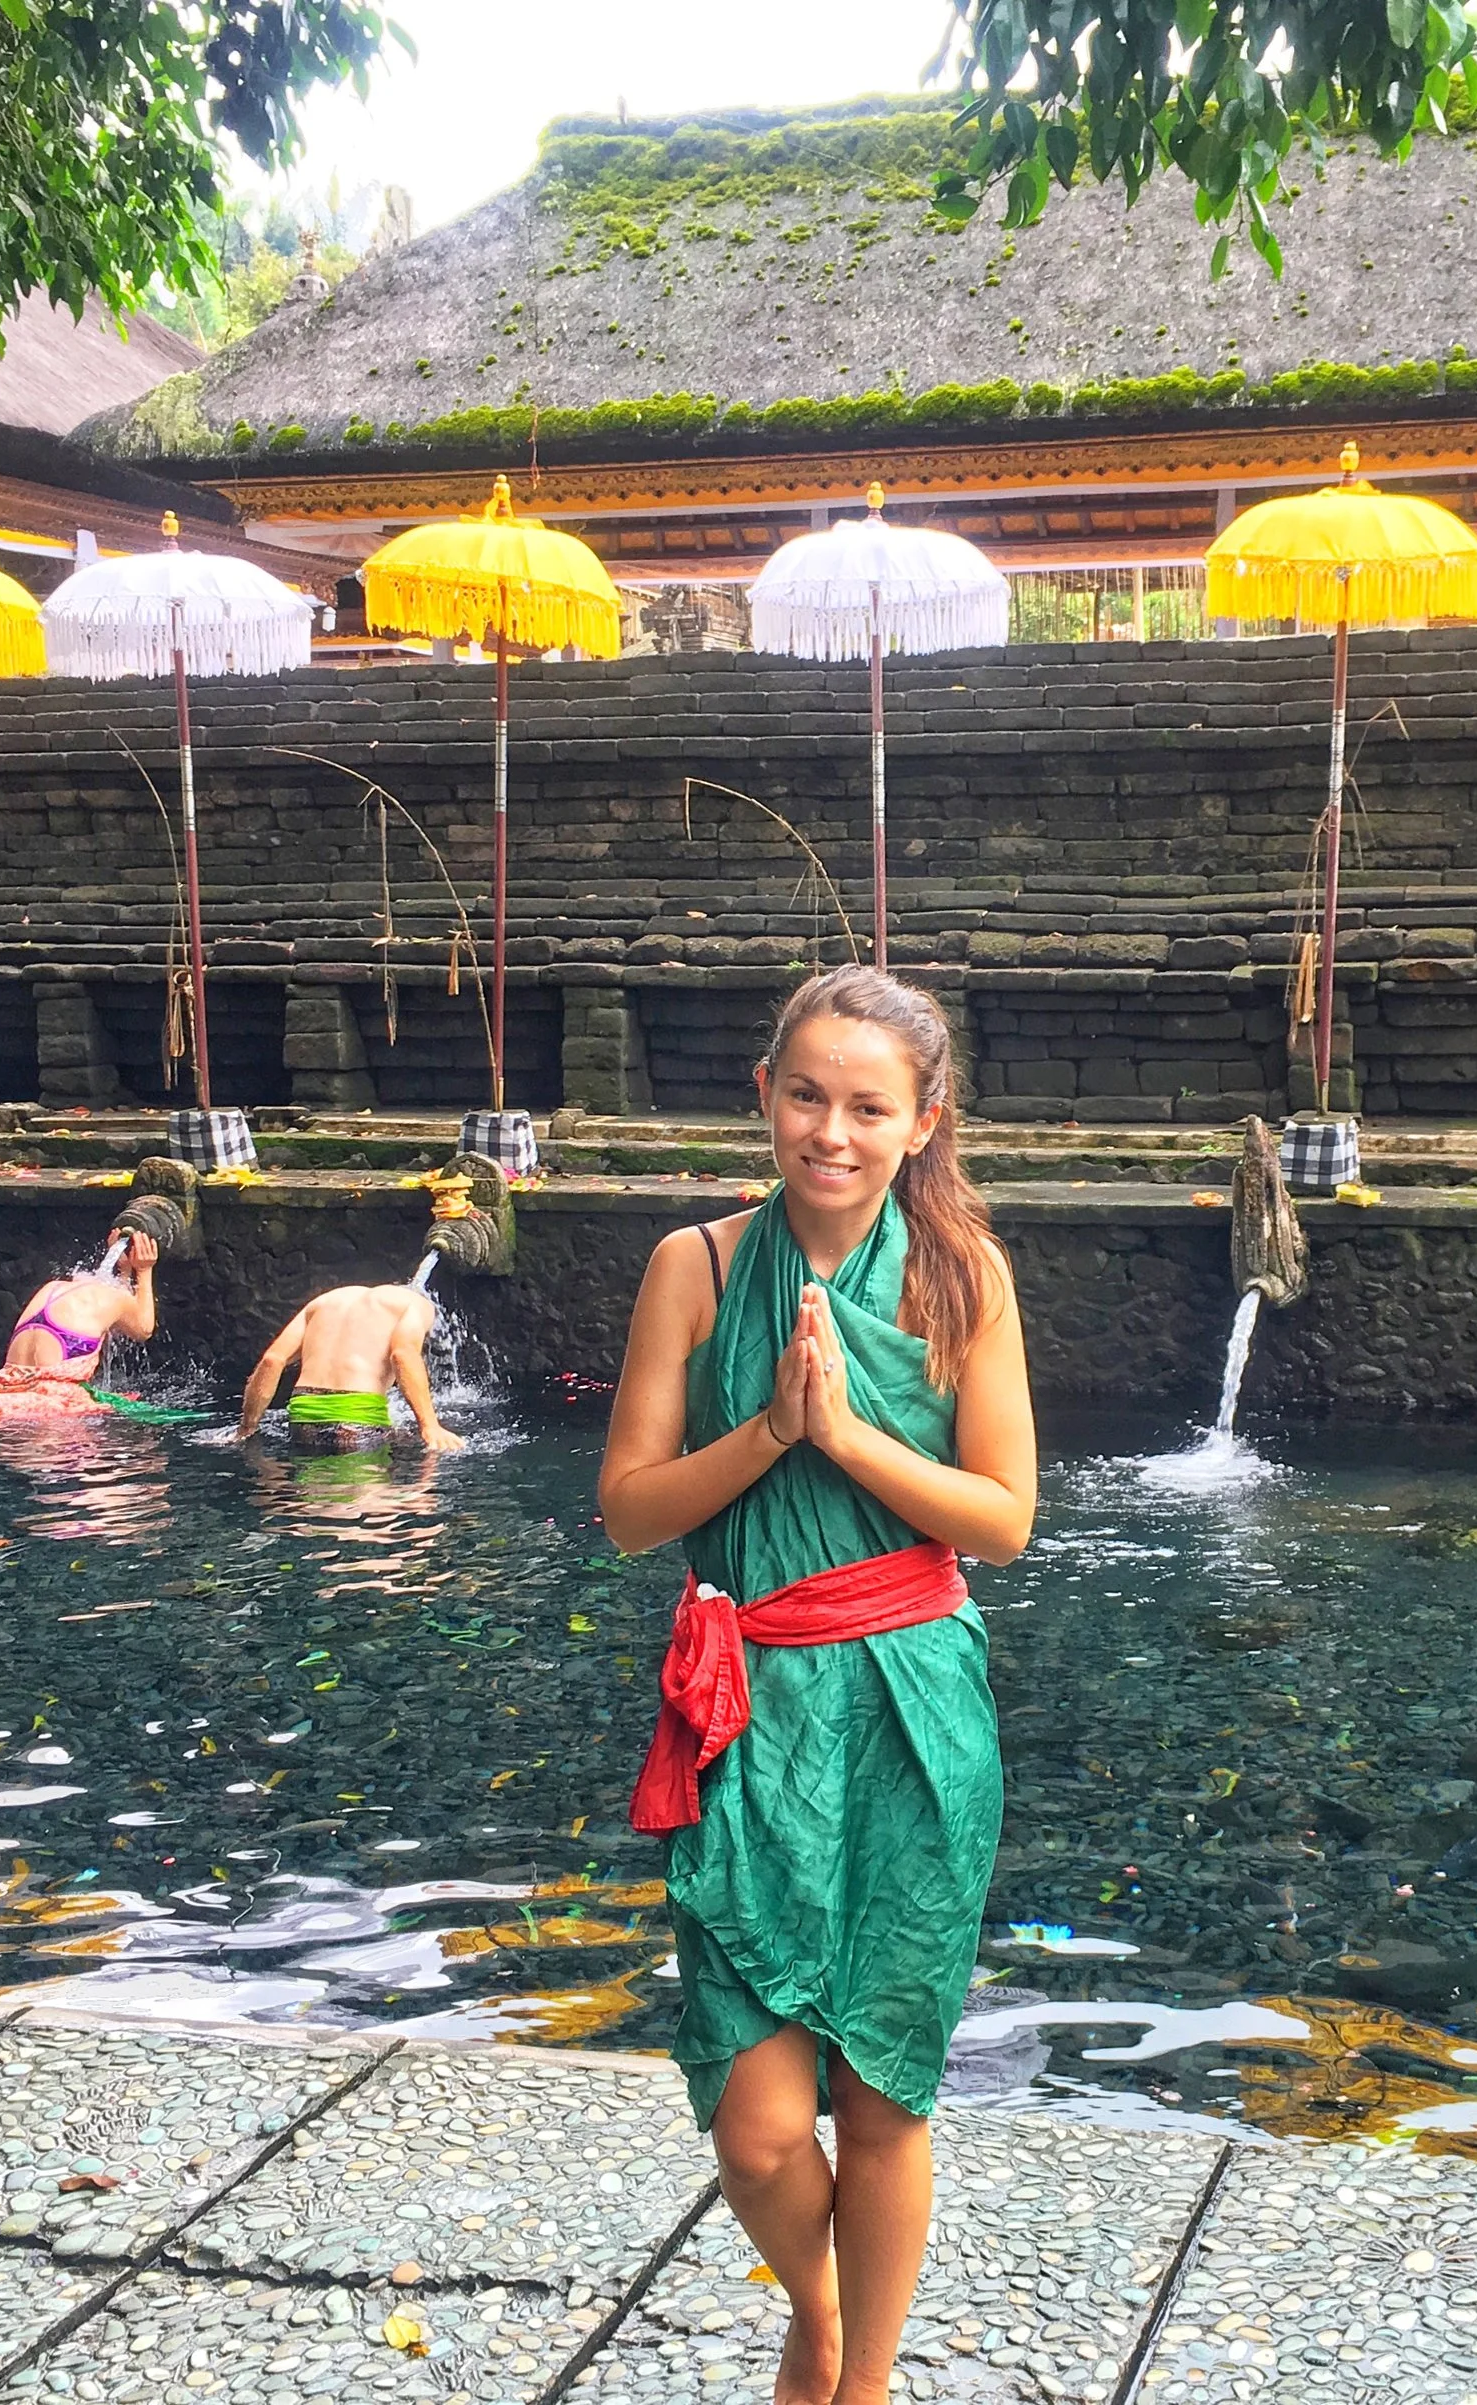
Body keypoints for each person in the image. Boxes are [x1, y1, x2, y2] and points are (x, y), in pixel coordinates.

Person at [598, 965, 1037, 2405]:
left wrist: (849, 1438)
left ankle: (858, 2383)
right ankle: (826, 2308)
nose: (830, 1133)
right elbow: (630, 1510)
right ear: (764, 1095)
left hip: (912, 1705)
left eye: (867, 1106)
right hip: (750, 1707)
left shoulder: (961, 1277)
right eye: (804, 1096)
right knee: (759, 2124)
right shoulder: (697, 1266)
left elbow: (1003, 1520)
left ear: (923, 1121)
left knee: (881, 2089)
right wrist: (775, 1430)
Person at [0, 1232, 177, 1426]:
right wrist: (144, 1271)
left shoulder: (54, 1287)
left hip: (7, 1393)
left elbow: (118, 1311)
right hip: (55, 1406)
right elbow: (143, 1329)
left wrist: (124, 1271)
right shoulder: (114, 1299)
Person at [238, 1281, 462, 1451]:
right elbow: (402, 1354)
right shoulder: (416, 1304)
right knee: (373, 1493)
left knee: (315, 1489)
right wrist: (430, 1425)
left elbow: (272, 1360)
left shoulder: (323, 1302)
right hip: (358, 1414)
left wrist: (247, 1427)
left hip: (304, 1413)